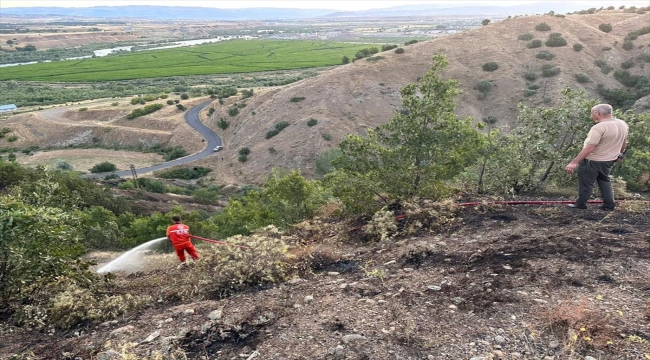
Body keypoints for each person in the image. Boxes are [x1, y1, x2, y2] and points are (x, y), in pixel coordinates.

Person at [564, 104, 628, 210]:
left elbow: (590, 147)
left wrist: (574, 162)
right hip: (609, 160)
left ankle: (580, 204)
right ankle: (609, 204)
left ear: (597, 113)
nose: (591, 115)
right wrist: (620, 153)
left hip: (592, 161)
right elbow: (624, 142)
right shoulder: (622, 124)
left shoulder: (599, 127)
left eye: (592, 113)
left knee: (586, 183)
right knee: (604, 181)